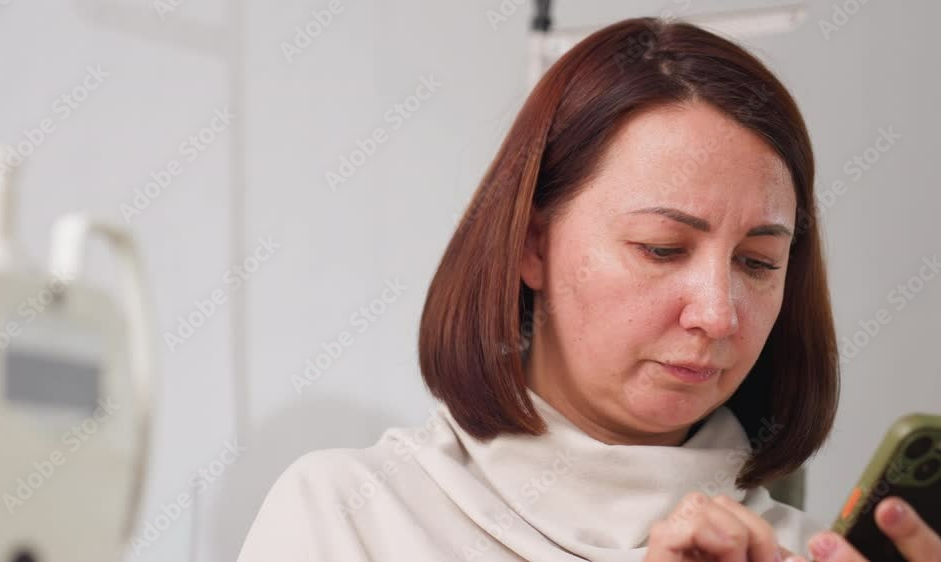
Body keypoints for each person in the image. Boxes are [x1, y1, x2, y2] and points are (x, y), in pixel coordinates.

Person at [237, 17, 941, 561]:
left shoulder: (806, 550)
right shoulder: (349, 515)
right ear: (532, 245)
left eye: (757, 263)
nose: (718, 314)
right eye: (661, 249)